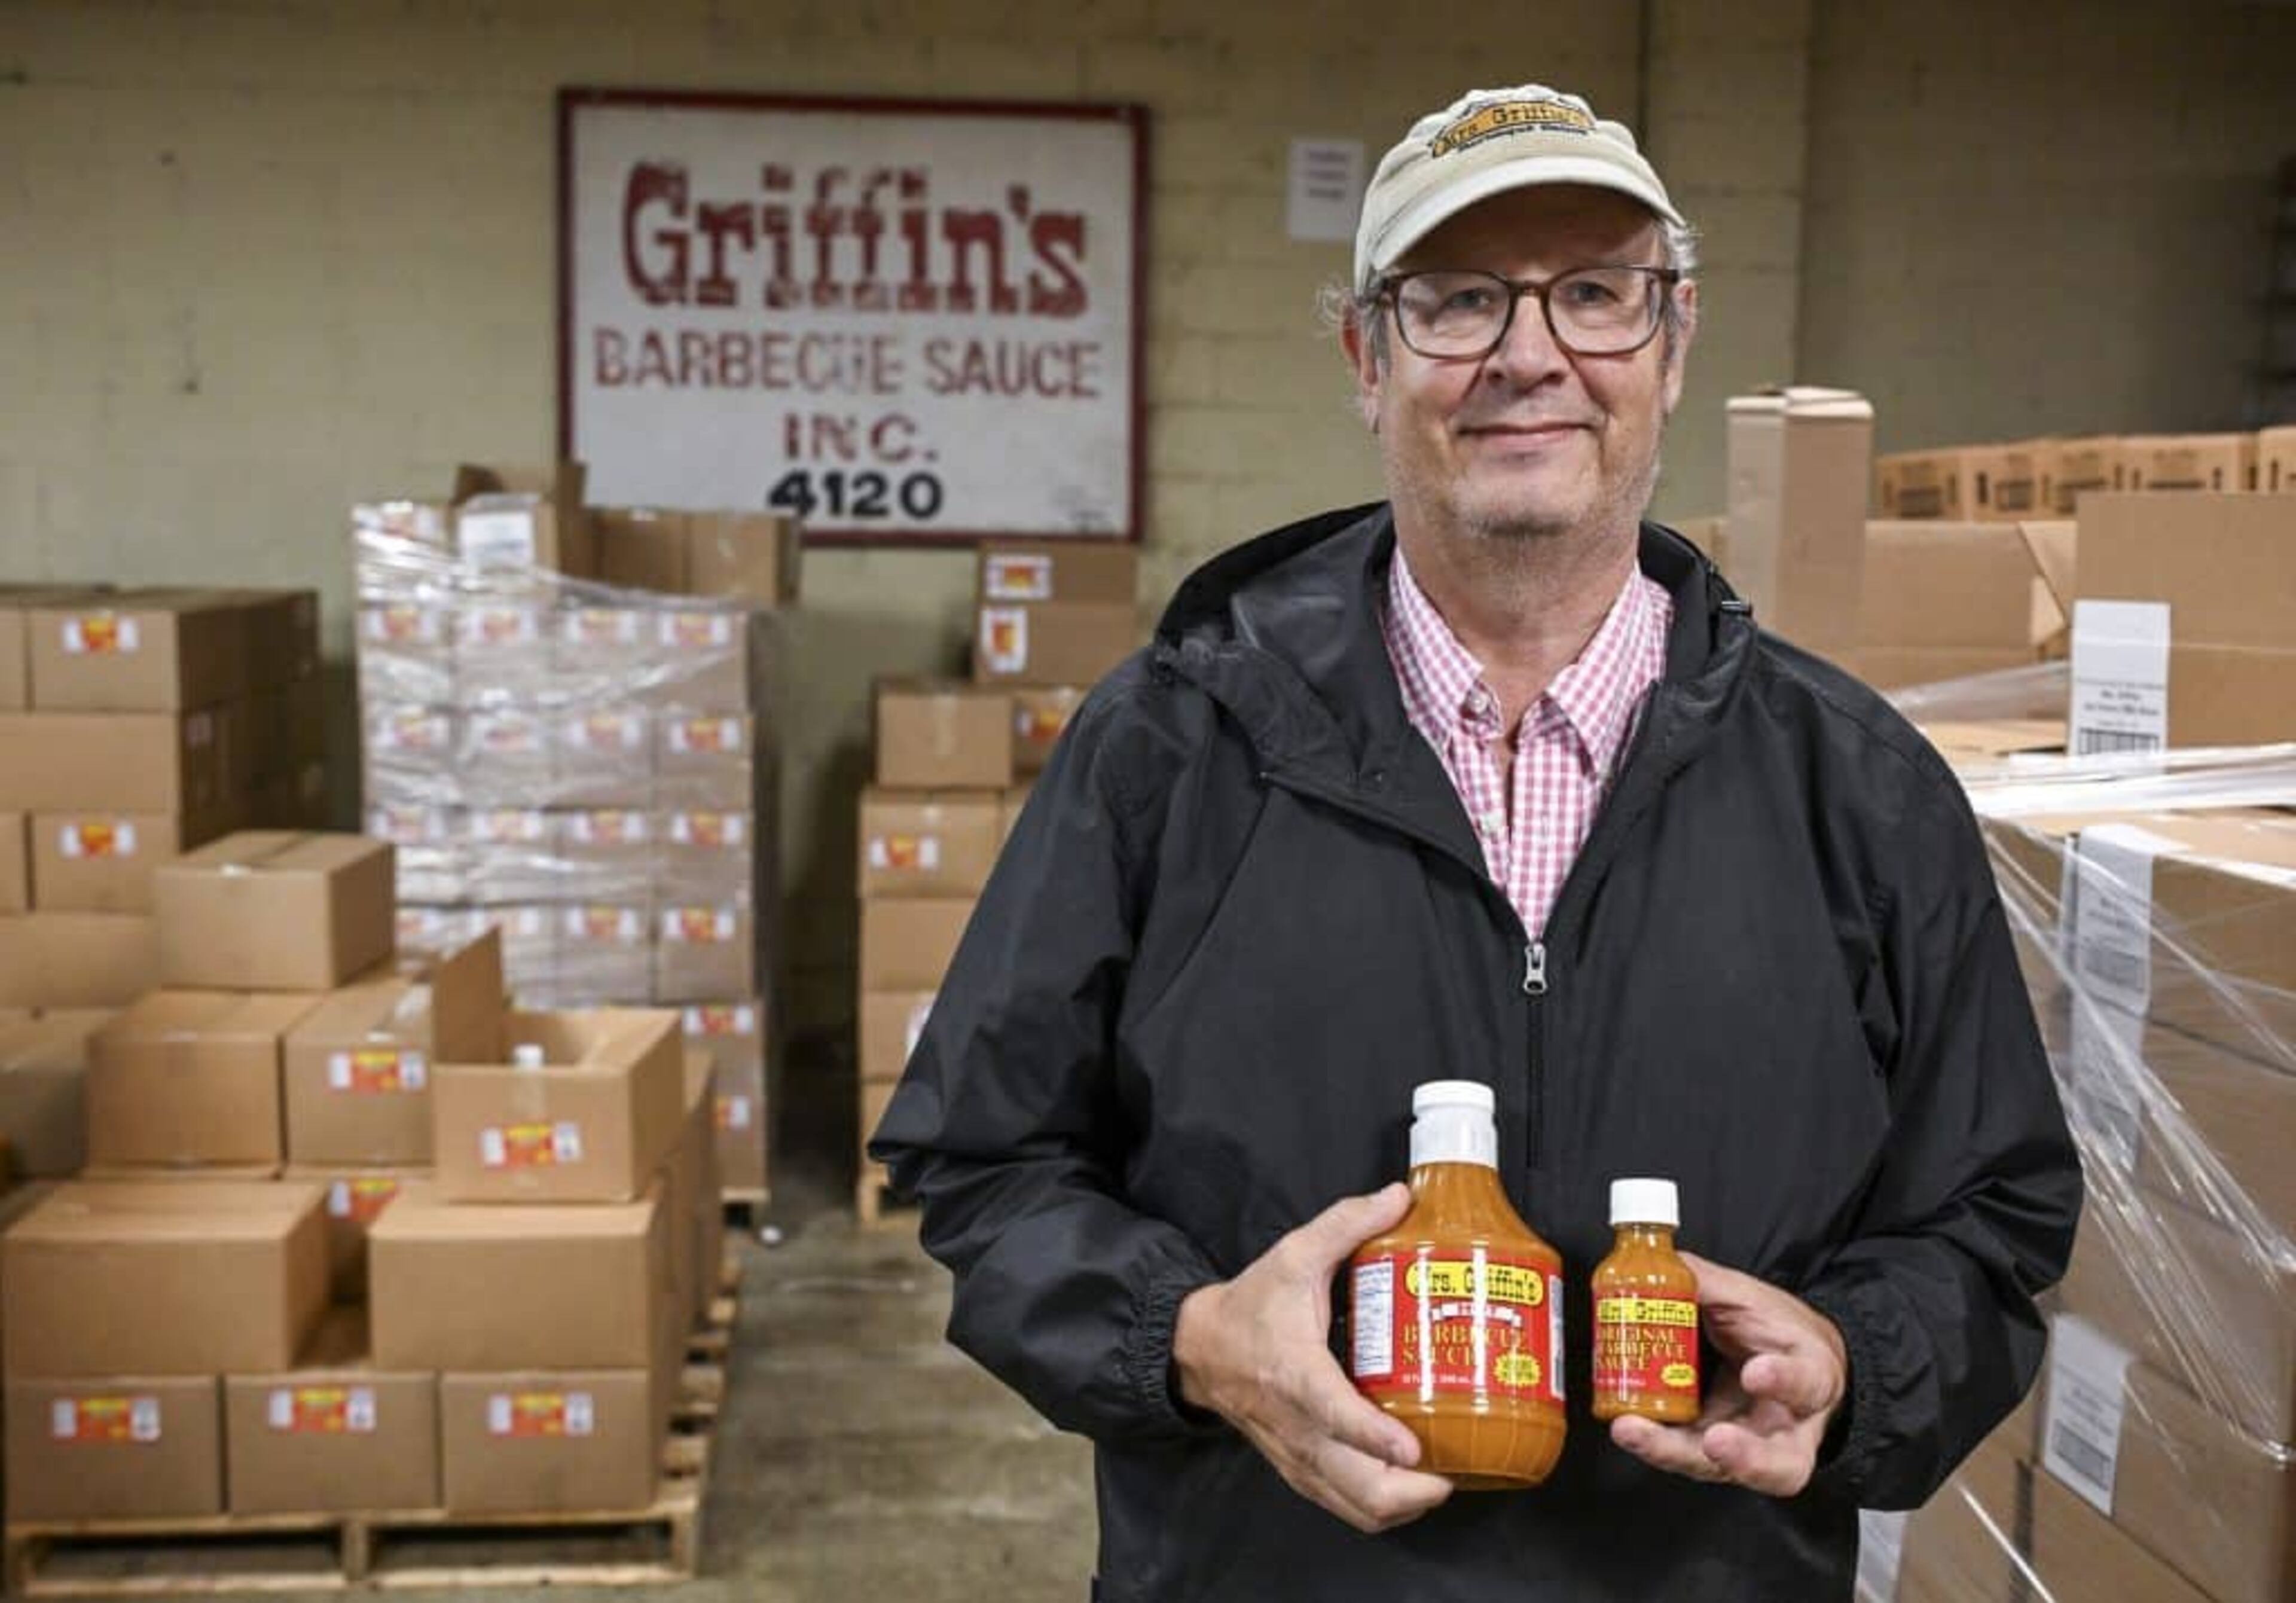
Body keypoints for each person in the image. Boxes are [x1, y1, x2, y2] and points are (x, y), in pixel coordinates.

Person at [870, 82, 2080, 1601]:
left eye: (1594, 293)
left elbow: (1994, 1210)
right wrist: (1191, 1340)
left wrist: (1854, 1360)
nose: (1529, 355)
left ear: (1675, 340)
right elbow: (985, 1164)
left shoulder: (1861, 791)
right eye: (1456, 301)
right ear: (1368, 360)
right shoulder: (1171, 751)